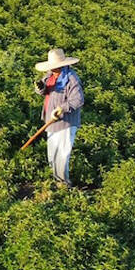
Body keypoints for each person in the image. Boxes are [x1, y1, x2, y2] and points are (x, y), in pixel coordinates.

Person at [34, 48, 85, 187]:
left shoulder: (71, 78)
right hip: (50, 122)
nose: (53, 69)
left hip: (65, 122)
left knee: (61, 155)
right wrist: (40, 88)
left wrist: (62, 108)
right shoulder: (49, 76)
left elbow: (78, 100)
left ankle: (63, 184)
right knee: (52, 154)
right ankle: (55, 181)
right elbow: (46, 91)